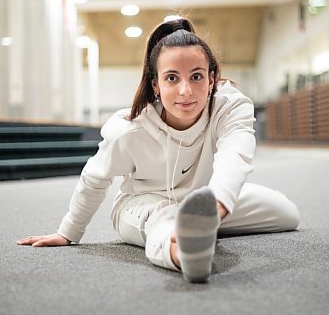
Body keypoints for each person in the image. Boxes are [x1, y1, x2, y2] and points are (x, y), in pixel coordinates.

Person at [17, 18, 300, 283]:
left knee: (285, 213)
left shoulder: (231, 107)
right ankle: (185, 254)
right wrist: (68, 232)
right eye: (172, 78)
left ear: (212, 79)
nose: (186, 91)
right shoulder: (128, 130)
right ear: (156, 84)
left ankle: (197, 224)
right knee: (164, 221)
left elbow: (234, 157)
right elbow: (95, 178)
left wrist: (215, 207)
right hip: (143, 203)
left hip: (203, 198)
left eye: (197, 76)